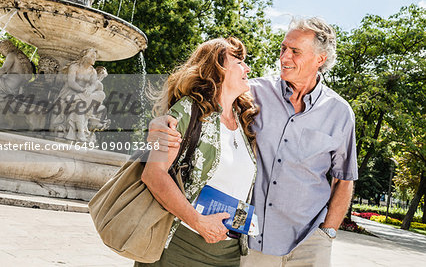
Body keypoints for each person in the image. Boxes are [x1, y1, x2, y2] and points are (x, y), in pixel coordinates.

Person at [148, 17, 358, 267]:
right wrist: (160, 122)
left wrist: (328, 232)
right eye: (283, 48)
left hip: (310, 244)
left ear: (320, 59)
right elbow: (203, 97)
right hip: (253, 243)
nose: (283, 57)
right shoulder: (251, 94)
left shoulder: (340, 113)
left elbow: (344, 179)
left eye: (295, 52)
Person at [135, 37, 259, 267]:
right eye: (239, 61)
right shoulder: (188, 110)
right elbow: (153, 174)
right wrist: (198, 221)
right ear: (217, 70)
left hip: (228, 253)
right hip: (181, 246)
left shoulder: (244, 121)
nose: (247, 68)